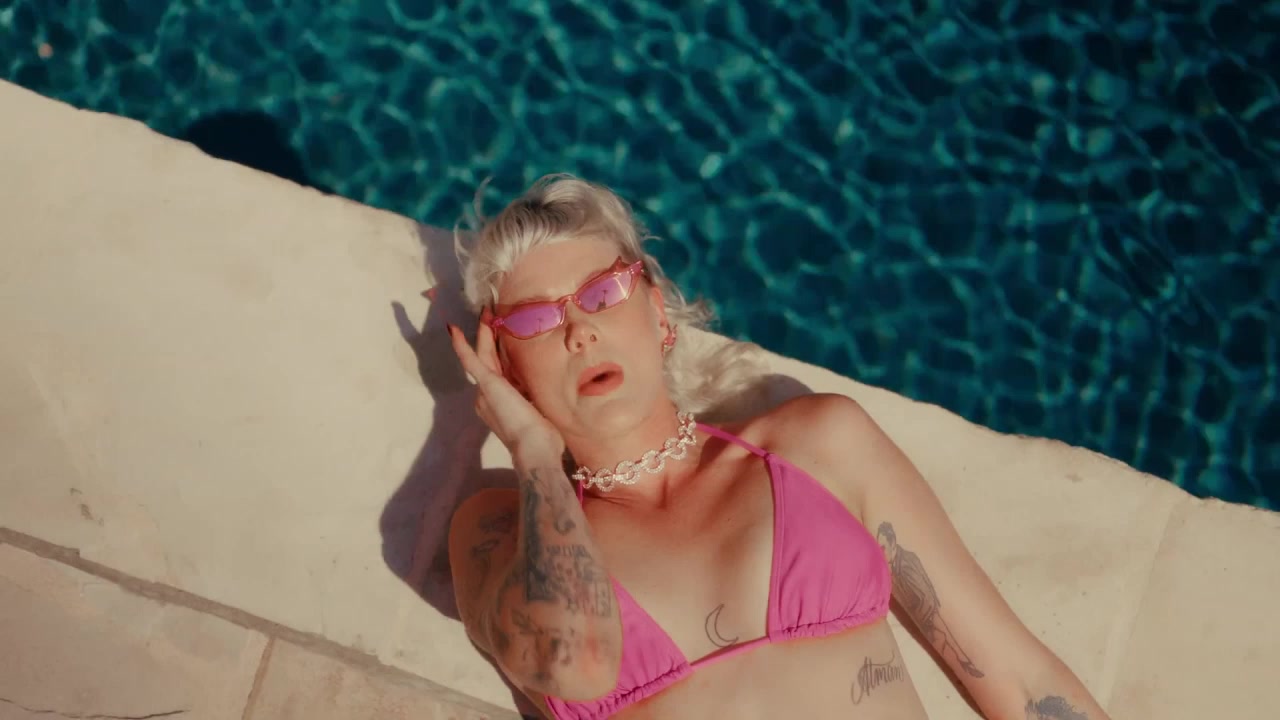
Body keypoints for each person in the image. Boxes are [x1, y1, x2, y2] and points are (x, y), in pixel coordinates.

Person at [445, 174, 1110, 720]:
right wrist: (533, 452)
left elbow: (1020, 680)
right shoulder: (498, 537)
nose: (579, 331)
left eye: (602, 292)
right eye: (536, 320)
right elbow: (578, 659)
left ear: (655, 310)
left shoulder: (817, 446)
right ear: (506, 371)